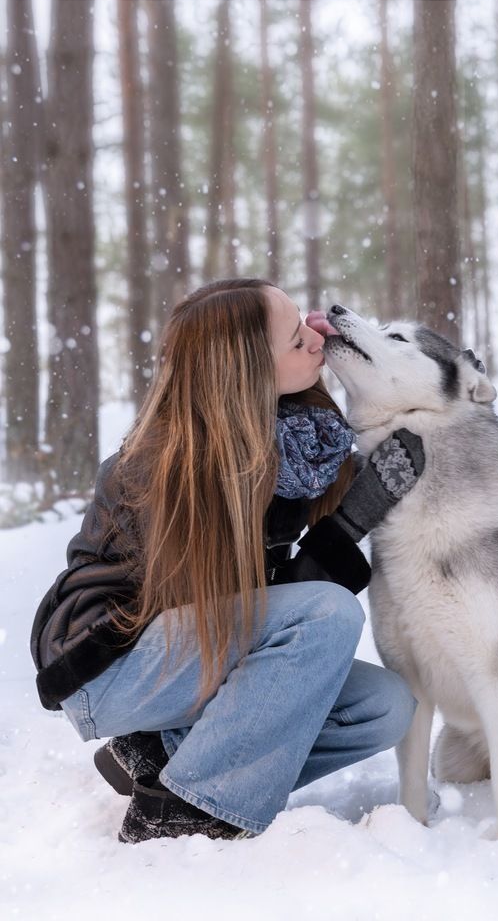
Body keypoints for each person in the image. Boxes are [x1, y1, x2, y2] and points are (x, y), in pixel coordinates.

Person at [30, 278, 425, 844]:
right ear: (248, 373)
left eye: (305, 321)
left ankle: (160, 754)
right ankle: (186, 808)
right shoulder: (170, 464)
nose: (317, 336)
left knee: (384, 708)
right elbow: (231, 608)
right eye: (296, 340)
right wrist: (347, 525)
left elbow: (255, 605)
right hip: (107, 660)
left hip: (192, 653)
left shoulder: (289, 435)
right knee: (327, 615)